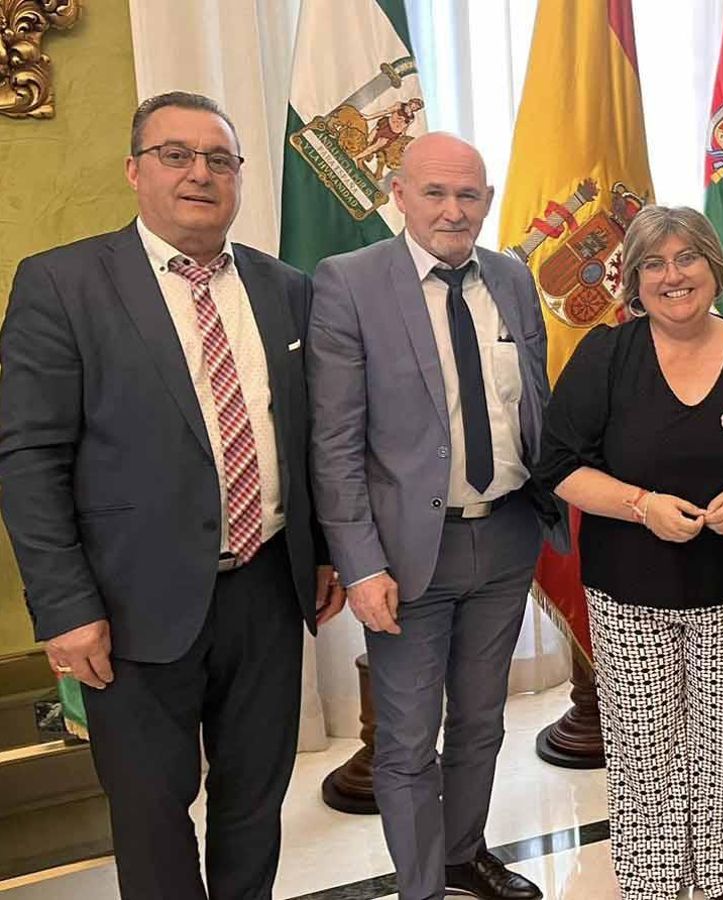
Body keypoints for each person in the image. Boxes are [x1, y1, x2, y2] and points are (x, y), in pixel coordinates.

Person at [0, 91, 342, 899]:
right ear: (134, 170)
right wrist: (63, 606)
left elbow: (308, 436)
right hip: (127, 606)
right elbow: (28, 457)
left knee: (255, 801)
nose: (200, 174)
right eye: (176, 155)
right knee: (151, 811)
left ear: (238, 178)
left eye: (219, 159)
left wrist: (322, 552)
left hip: (264, 590)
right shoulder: (63, 284)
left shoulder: (285, 287)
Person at [534, 205, 723, 900]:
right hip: (628, 591)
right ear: (633, 279)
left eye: (686, 258)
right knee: (643, 751)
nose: (673, 276)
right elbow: (559, 466)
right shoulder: (605, 356)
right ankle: (655, 881)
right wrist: (641, 505)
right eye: (654, 264)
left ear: (713, 266)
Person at [307, 132, 560, 900]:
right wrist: (360, 563)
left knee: (483, 720)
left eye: (470, 195)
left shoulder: (514, 279)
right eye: (436, 193)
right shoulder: (349, 283)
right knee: (409, 740)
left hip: (508, 535)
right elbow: (336, 439)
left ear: (486, 200)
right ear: (399, 194)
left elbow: (535, 406)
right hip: (408, 555)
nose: (454, 211)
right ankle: (420, 889)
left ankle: (462, 856)